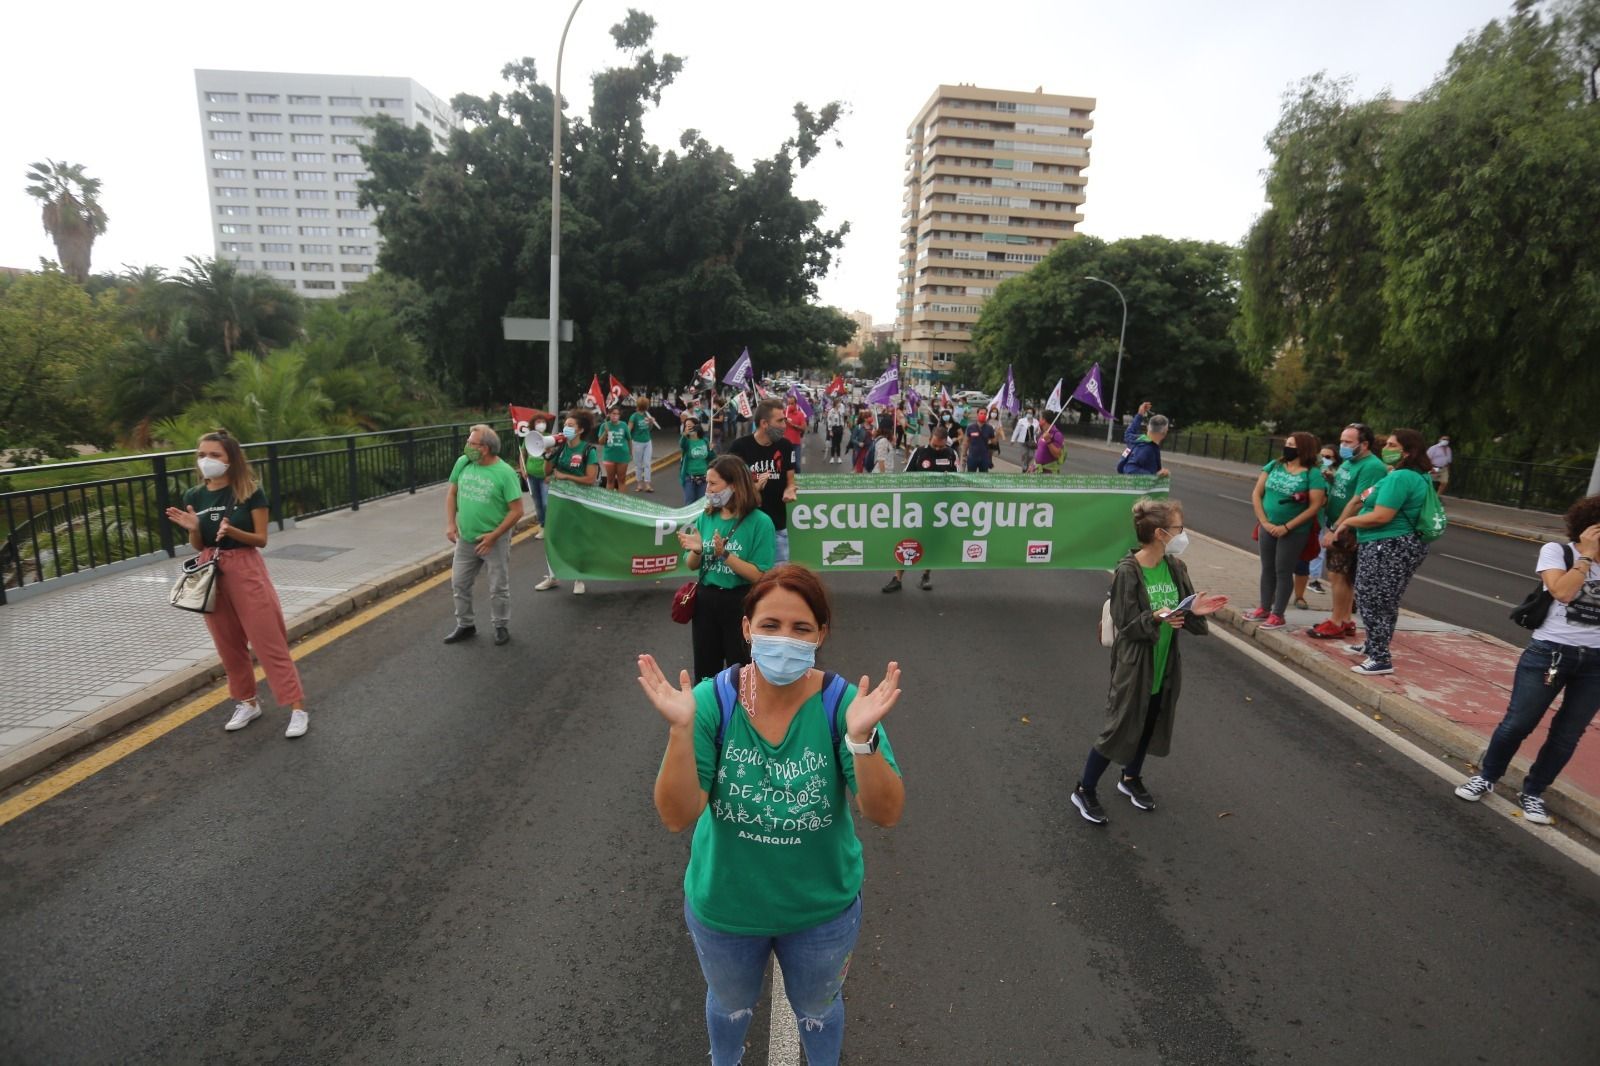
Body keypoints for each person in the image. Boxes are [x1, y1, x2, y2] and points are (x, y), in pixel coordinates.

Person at [637, 564, 904, 1066]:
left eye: (801, 628)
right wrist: (679, 732)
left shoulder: (844, 705)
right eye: (770, 625)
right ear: (747, 629)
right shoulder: (712, 703)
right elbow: (677, 815)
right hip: (726, 911)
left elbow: (884, 813)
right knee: (731, 1005)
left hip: (820, 913)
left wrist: (862, 740)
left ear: (821, 634)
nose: (785, 639)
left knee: (819, 1011)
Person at [1071, 499, 1228, 823]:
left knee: (1149, 721)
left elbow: (1184, 613)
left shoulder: (1175, 567)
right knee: (1119, 727)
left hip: (1165, 661)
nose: (1182, 535)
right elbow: (1127, 624)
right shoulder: (1128, 571)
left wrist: (1193, 611)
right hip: (1135, 664)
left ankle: (1130, 778)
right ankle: (1084, 788)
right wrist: (1156, 618)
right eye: (1178, 529)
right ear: (1160, 533)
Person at [1453, 497, 1600, 825]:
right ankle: (1487, 775)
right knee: (1519, 722)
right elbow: (1561, 592)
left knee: (1568, 733)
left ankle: (1533, 792)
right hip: (1550, 652)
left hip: (1595, 663)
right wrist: (1587, 556)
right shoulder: (1558, 552)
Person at [165, 429, 310, 738]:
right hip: (210, 570)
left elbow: (261, 539)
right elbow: (198, 544)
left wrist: (233, 532)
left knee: (268, 641)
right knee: (228, 645)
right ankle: (247, 702)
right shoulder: (194, 496)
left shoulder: (249, 492)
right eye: (202, 455)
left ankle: (296, 708)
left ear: (231, 458)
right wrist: (193, 529)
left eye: (215, 455)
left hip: (245, 567)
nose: (207, 460)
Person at [1331, 428, 1434, 675]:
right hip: (1397, 544)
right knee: (1386, 599)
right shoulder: (1413, 475)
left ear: (1407, 451)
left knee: (1372, 598)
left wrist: (1348, 522)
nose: (1385, 449)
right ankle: (1374, 644)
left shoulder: (1401, 477)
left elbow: (1382, 515)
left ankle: (1380, 658)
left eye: (1392, 445)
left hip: (1388, 545)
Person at [675, 456, 776, 681]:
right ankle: (708, 714)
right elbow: (691, 564)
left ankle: (741, 715)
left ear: (733, 485)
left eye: (713, 484)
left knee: (741, 671)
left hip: (741, 602)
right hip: (705, 601)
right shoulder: (707, 517)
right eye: (707, 483)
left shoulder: (760, 522)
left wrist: (725, 556)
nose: (707, 489)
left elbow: (760, 575)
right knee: (705, 670)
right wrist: (697, 550)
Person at [442, 424, 524, 646]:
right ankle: (465, 624)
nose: (467, 446)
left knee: (498, 586)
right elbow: (452, 493)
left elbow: (517, 510)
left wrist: (494, 536)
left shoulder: (505, 473)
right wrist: (451, 524)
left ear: (485, 448)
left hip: (494, 541)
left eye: (471, 443)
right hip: (466, 539)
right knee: (459, 583)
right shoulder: (464, 462)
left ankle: (500, 625)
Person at [1307, 423, 1389, 640]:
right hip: (1339, 523)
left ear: (1364, 444)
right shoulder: (1349, 462)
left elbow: (1359, 499)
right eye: (1341, 441)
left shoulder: (1371, 467)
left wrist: (1336, 529)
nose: (1342, 446)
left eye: (1348, 442)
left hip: (1349, 527)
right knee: (1340, 575)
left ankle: (1336, 621)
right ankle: (1344, 620)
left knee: (1338, 575)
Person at [1243, 431, 1325, 630]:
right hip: (1267, 525)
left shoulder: (1312, 474)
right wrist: (1263, 521)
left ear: (1303, 449)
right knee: (1267, 568)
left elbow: (1315, 506)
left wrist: (1287, 527)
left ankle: (1278, 614)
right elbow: (1257, 493)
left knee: (1283, 570)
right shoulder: (1274, 465)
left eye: (1292, 445)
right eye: (1286, 443)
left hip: (1294, 531)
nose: (1287, 447)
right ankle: (1264, 607)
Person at [883, 425, 959, 594]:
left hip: (940, 509)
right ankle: (897, 578)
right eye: (935, 445)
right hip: (916, 508)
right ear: (930, 439)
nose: (938, 449)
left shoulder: (951, 454)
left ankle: (926, 575)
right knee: (908, 541)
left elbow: (959, 478)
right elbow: (906, 476)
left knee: (931, 542)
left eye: (941, 446)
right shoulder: (919, 452)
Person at [535, 411, 600, 596]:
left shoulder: (588, 450)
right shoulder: (561, 448)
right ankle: (553, 576)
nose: (566, 428)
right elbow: (546, 472)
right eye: (565, 424)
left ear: (580, 429)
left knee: (577, 538)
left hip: (580, 502)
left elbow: (590, 479)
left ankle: (579, 578)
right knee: (553, 537)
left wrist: (565, 476)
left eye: (570, 425)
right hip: (559, 501)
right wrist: (548, 454)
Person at [727, 399, 799, 563]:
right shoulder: (740, 447)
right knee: (748, 578)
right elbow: (729, 485)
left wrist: (790, 489)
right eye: (780, 420)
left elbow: (790, 480)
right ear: (764, 423)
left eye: (785, 420)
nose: (784, 425)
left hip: (777, 526)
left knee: (778, 579)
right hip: (746, 525)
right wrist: (754, 488)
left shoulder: (786, 446)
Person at [1116, 407, 1170, 477]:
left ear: (1148, 427)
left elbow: (1128, 433)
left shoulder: (1137, 439)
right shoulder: (1147, 448)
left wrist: (1140, 414)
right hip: (1139, 487)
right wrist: (1155, 476)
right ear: (1164, 432)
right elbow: (1130, 469)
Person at [629, 396, 662, 493]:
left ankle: (647, 484)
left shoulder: (647, 416)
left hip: (647, 442)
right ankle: (639, 484)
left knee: (647, 464)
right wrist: (628, 443)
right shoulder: (634, 416)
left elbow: (649, 429)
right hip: (637, 443)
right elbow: (628, 430)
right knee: (638, 465)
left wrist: (651, 422)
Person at [680, 416, 713, 505]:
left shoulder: (705, 441)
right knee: (689, 503)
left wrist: (711, 450)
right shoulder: (686, 441)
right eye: (686, 426)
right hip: (690, 479)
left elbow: (712, 458)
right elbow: (682, 445)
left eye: (690, 425)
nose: (688, 427)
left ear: (697, 426)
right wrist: (684, 435)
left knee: (702, 504)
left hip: (704, 478)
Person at [599, 404, 631, 490]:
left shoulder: (624, 425)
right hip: (609, 456)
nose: (615, 416)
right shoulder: (604, 426)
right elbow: (601, 442)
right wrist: (605, 432)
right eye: (613, 413)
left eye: (617, 414)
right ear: (609, 414)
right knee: (610, 480)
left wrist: (630, 454)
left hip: (622, 457)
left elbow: (629, 439)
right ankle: (609, 502)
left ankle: (622, 502)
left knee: (621, 480)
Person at [964, 407, 997, 473]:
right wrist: (964, 455)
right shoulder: (970, 427)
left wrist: (997, 434)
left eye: (985, 414)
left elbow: (994, 443)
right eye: (981, 413)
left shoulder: (989, 428)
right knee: (971, 477)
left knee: (983, 478)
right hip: (972, 457)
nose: (983, 415)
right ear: (977, 414)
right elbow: (966, 442)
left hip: (984, 457)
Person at [784, 395, 807, 472]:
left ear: (796, 404)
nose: (790, 406)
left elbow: (803, 428)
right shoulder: (784, 414)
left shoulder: (800, 414)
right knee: (786, 465)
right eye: (789, 404)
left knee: (797, 465)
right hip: (785, 444)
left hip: (795, 444)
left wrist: (792, 425)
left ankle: (797, 481)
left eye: (792, 403)